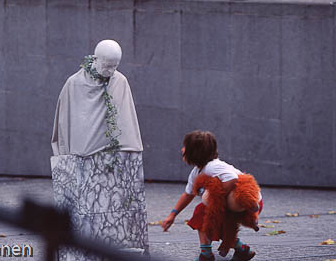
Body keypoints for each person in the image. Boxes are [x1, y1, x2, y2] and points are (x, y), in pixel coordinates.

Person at [50, 39, 148, 261]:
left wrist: (129, 152)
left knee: (113, 211)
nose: (111, 70)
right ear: (95, 59)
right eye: (107, 65)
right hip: (83, 158)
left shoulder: (120, 81)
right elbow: (66, 123)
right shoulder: (74, 84)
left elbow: (127, 121)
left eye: (115, 65)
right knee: (84, 211)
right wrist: (67, 156)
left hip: (113, 158)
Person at [161, 130, 263, 261]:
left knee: (203, 212)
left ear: (194, 152)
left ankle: (207, 254)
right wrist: (173, 214)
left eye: (186, 146)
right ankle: (241, 250)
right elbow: (188, 194)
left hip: (247, 202)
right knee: (208, 214)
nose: (182, 149)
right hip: (238, 203)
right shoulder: (197, 172)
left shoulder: (212, 167)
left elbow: (233, 179)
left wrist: (217, 198)